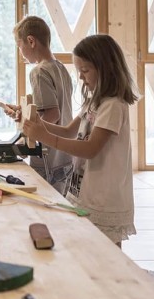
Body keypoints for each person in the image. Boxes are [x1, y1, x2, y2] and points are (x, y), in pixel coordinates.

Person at [22, 33, 139, 246]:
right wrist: (33, 122)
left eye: (85, 71)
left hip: (104, 197)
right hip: (84, 189)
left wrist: (44, 136)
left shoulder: (113, 105)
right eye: (79, 71)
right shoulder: (93, 101)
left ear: (106, 68)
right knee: (88, 249)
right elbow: (67, 131)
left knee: (109, 258)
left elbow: (90, 149)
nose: (81, 77)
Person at [7, 16, 73, 193]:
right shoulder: (60, 68)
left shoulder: (39, 71)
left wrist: (25, 136)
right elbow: (53, 107)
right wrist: (23, 112)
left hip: (47, 158)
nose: (21, 53)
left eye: (20, 47)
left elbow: (52, 114)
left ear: (31, 41)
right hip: (65, 156)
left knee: (46, 207)